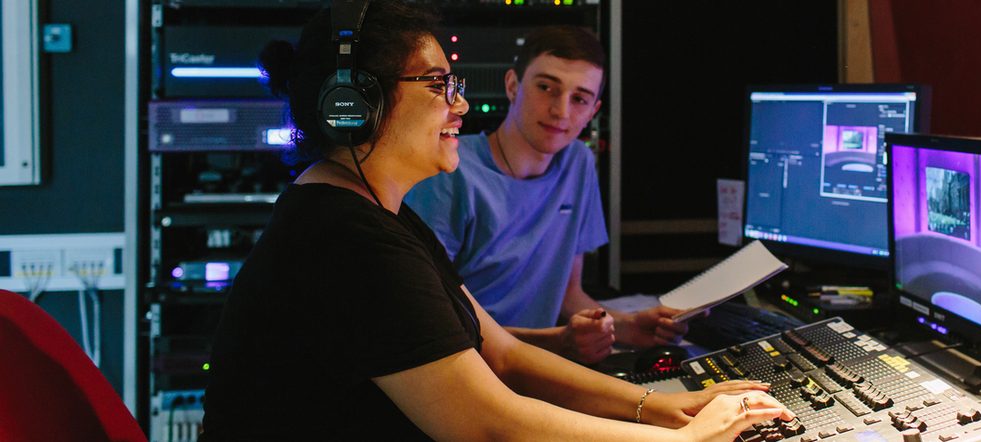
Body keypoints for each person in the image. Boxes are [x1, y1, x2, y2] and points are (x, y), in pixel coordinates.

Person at [201, 2, 790, 440]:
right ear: (356, 104)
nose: (460, 103)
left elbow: (501, 352)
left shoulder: (376, 211)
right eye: (437, 86)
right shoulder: (346, 239)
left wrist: (662, 409)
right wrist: (687, 441)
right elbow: (486, 425)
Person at [405, 26, 685, 365]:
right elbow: (435, 324)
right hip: (469, 371)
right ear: (512, 85)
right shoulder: (450, 170)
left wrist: (626, 328)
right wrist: (557, 343)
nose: (561, 111)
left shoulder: (578, 163)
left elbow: (569, 294)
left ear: (592, 112)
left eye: (579, 98)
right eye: (546, 87)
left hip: (536, 366)